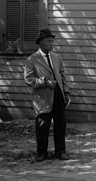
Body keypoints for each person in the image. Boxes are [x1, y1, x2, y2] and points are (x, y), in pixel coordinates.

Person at [24, 28, 71, 162]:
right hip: (43, 99)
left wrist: (66, 93)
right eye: (48, 41)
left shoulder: (56, 57)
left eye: (52, 41)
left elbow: (62, 76)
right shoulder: (32, 59)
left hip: (58, 96)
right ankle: (41, 153)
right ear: (41, 43)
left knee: (60, 125)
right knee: (42, 126)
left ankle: (60, 152)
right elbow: (28, 79)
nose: (51, 43)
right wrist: (44, 82)